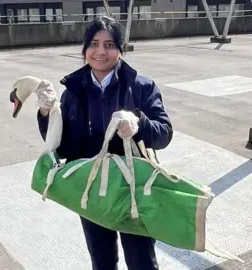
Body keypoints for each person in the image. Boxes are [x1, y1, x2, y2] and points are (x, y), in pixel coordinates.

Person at [36, 15, 173, 270]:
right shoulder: (72, 92)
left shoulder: (141, 87)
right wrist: (47, 114)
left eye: (109, 44)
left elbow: (164, 133)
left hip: (134, 189)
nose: (101, 51)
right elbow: (62, 147)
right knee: (102, 261)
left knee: (142, 261)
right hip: (91, 189)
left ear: (120, 50)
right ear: (85, 50)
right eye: (94, 44)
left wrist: (139, 124)